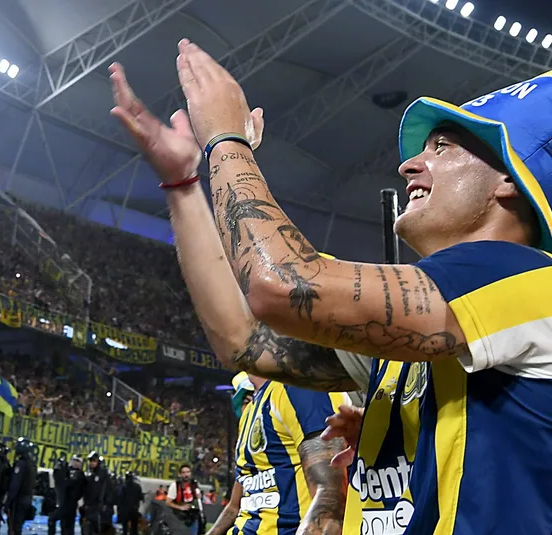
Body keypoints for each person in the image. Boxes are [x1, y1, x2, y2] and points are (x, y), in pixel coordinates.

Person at [108, 40, 552, 533]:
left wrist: (226, 140)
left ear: (510, 178)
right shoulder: (443, 318)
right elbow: (244, 340)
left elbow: (283, 287)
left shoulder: (529, 280)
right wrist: (184, 185)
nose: (408, 164)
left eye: (442, 146)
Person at [206, 372, 347, 535]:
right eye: (243, 400)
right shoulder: (247, 418)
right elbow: (235, 504)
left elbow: (331, 499)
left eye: (248, 398)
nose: (245, 404)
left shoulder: (297, 389)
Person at [6, 437, 37, 535]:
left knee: (14, 528)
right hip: (27, 499)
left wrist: (8, 501)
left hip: (18, 500)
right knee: (18, 526)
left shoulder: (21, 464)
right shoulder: (32, 464)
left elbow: (15, 484)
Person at [83, 451, 115, 535]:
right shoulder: (91, 474)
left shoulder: (103, 474)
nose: (92, 463)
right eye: (91, 461)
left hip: (100, 508)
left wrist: (106, 504)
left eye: (94, 461)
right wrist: (86, 503)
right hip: (92, 508)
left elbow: (108, 490)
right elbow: (88, 491)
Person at [165, 464, 203, 535]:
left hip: (193, 516)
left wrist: (199, 496)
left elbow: (198, 498)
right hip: (179, 517)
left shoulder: (195, 484)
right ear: (180, 474)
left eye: (188, 472)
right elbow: (168, 502)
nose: (186, 475)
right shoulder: (175, 485)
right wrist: (180, 507)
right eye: (183, 472)